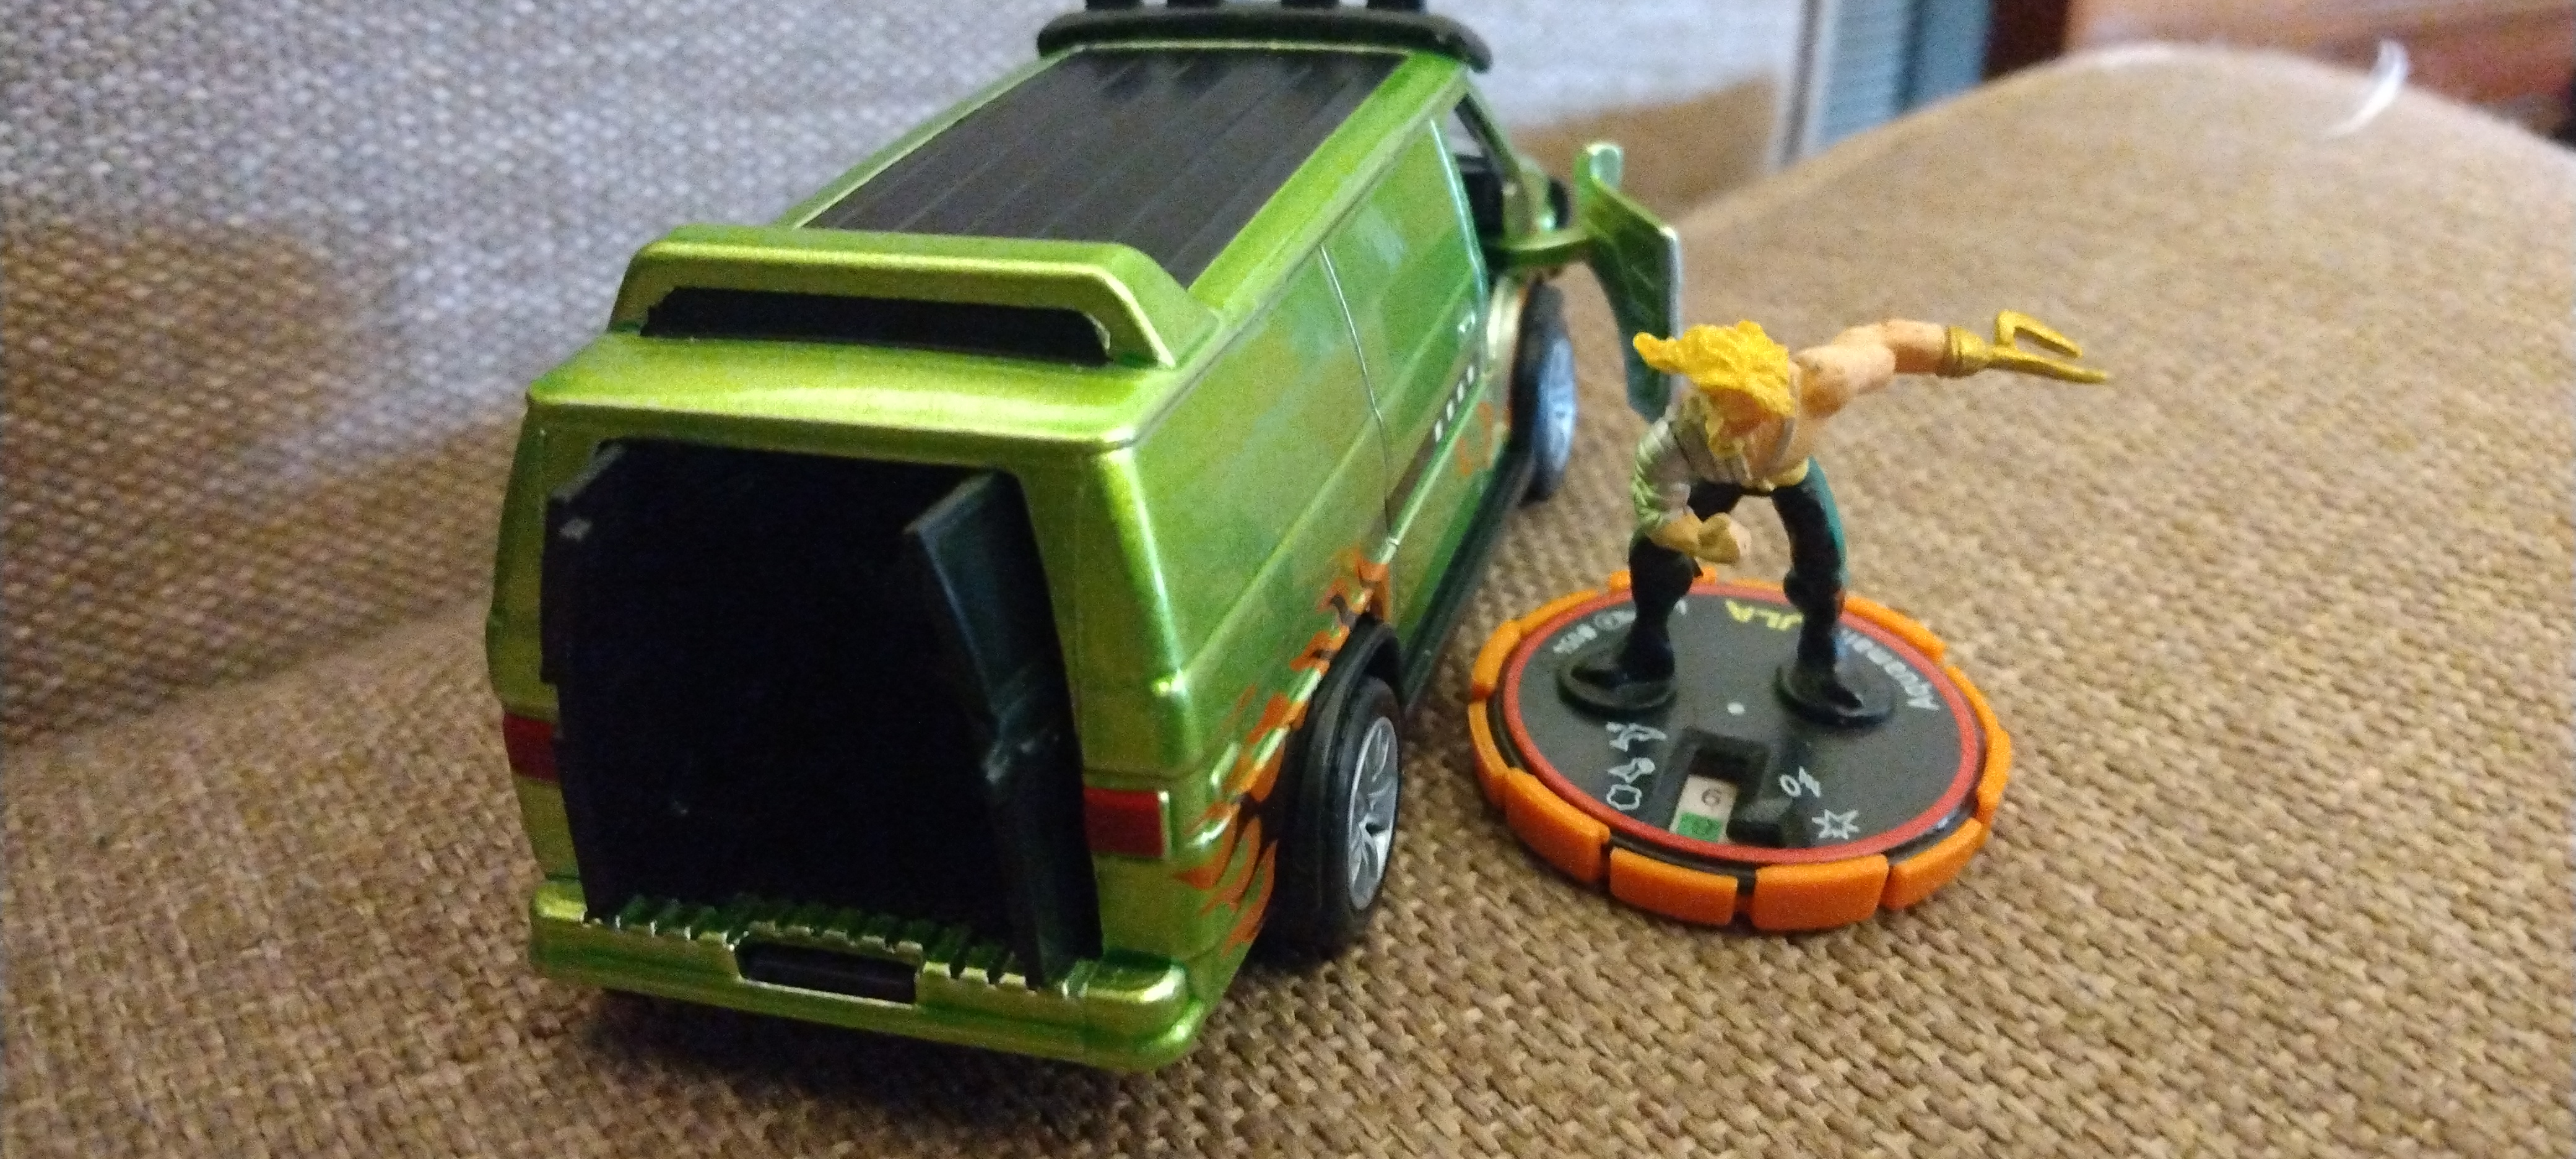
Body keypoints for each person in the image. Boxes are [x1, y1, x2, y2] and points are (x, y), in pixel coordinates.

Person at [1561, 311, 2105, 724]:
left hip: (1792, 473)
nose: (1712, 412)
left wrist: (1970, 351)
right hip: (1715, 482)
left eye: (1734, 402)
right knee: (1653, 556)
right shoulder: (1677, 438)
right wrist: (1699, 538)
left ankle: (1822, 658)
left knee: (1825, 569)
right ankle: (1644, 651)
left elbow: (1885, 342)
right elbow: (1657, 509)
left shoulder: (1822, 382)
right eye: (1707, 395)